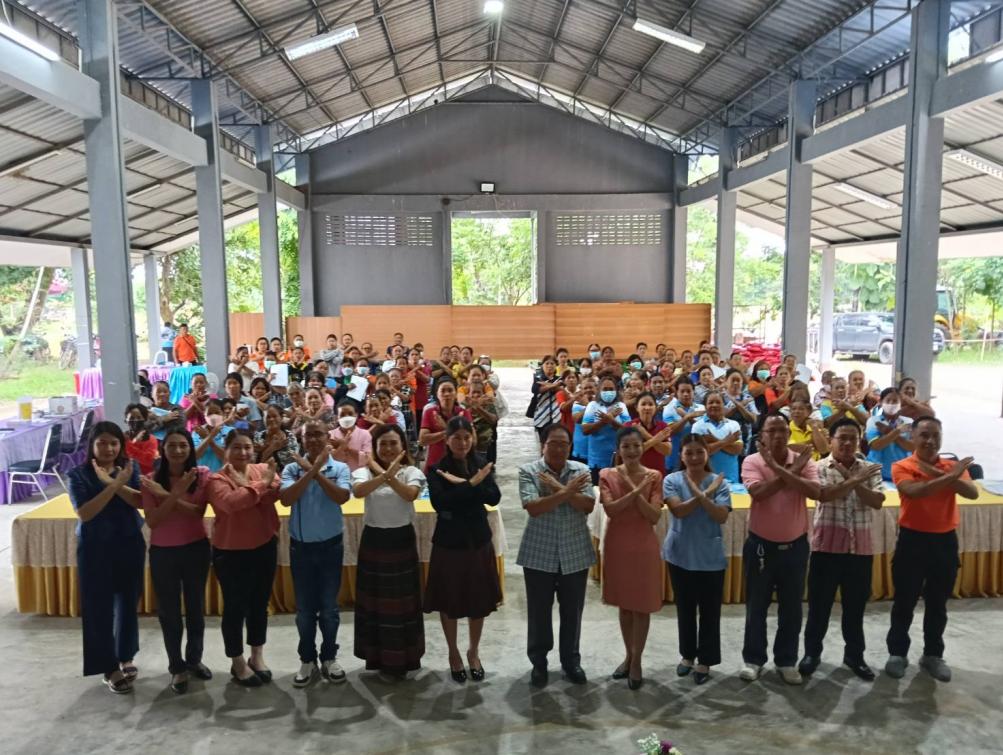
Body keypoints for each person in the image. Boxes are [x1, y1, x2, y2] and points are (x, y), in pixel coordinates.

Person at [885, 416, 978, 683]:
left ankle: (933, 655)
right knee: (904, 601)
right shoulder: (902, 465)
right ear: (913, 437)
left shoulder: (950, 465)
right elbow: (916, 492)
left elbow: (971, 493)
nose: (930, 440)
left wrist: (941, 473)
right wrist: (950, 476)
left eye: (935, 435)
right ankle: (897, 653)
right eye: (924, 435)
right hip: (912, 541)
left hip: (944, 542)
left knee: (938, 604)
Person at [798, 418, 885, 682]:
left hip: (860, 550)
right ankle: (812, 654)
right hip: (826, 549)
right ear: (831, 440)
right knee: (819, 608)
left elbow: (877, 501)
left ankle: (854, 656)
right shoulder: (818, 467)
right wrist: (855, 480)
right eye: (842, 438)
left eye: (852, 438)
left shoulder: (870, 468)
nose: (847, 443)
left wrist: (853, 480)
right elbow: (824, 495)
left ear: (859, 441)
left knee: (855, 609)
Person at [739, 414, 820, 685]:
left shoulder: (805, 460)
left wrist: (782, 468)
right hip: (760, 546)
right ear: (762, 435)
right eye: (771, 430)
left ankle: (786, 660)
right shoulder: (752, 461)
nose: (777, 435)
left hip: (795, 547)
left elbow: (815, 492)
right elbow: (759, 493)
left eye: (783, 430)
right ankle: (754, 659)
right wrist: (791, 471)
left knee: (792, 608)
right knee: (756, 606)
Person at [68, 422, 144, 694]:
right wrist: (115, 486)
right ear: (92, 445)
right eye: (102, 443)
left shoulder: (130, 468)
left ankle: (125, 655)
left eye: (114, 443)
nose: (109, 448)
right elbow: (85, 513)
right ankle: (108, 667)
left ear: (121, 445)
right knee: (98, 607)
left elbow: (139, 502)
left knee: (128, 602)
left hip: (129, 542)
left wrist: (116, 481)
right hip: (95, 548)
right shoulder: (78, 474)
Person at [517, 423, 596, 688]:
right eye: (553, 443)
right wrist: (568, 491)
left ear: (570, 447)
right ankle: (539, 663)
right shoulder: (529, 471)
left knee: (573, 611)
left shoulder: (581, 470)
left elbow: (588, 505)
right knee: (538, 611)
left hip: (575, 551)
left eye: (564, 444)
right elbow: (533, 507)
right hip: (538, 551)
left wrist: (556, 490)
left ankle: (571, 660)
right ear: (543, 445)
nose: (559, 449)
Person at [424, 417, 502, 683]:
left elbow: (494, 497)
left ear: (473, 438)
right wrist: (472, 484)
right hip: (449, 541)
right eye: (456, 437)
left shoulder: (481, 462)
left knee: (477, 600)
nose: (462, 442)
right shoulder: (437, 469)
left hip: (477, 539)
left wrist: (465, 485)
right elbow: (441, 503)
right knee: (449, 600)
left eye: (466, 437)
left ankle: (473, 652)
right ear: (447, 440)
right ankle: (453, 653)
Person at [140, 429, 213, 694]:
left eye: (183, 445)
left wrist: (168, 495)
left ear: (191, 448)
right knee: (169, 613)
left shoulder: (201, 475)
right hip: (163, 553)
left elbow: (198, 513)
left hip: (196, 549)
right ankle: (176, 666)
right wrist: (171, 494)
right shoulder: (150, 481)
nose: (178, 450)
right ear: (163, 449)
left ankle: (194, 659)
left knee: (196, 608)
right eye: (172, 445)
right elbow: (153, 521)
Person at [205, 431, 281, 687]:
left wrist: (252, 489)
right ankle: (237, 661)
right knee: (234, 608)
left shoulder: (262, 469)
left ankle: (256, 656)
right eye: (236, 447)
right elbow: (231, 503)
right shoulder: (216, 478)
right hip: (230, 552)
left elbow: (277, 494)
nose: (243, 452)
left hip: (264, 546)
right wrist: (261, 486)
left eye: (247, 447)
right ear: (226, 450)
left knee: (259, 604)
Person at [280, 420, 352, 687]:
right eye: (307, 435)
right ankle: (307, 659)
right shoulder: (291, 468)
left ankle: (329, 657)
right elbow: (286, 499)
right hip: (301, 548)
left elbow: (341, 497)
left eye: (318, 434)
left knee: (329, 609)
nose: (312, 439)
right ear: (301, 439)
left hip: (331, 547)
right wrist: (310, 470)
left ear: (327, 438)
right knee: (304, 611)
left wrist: (315, 471)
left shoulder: (340, 468)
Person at [351, 424, 427, 679]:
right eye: (382, 443)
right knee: (375, 605)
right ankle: (377, 659)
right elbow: (359, 492)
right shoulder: (362, 472)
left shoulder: (412, 472)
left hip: (401, 541)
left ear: (403, 446)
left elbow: (410, 495)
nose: (388, 448)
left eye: (393, 443)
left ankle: (404, 660)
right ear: (375, 447)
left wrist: (388, 475)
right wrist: (383, 474)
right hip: (374, 541)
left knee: (403, 605)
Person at [663, 435, 732, 685]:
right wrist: (706, 495)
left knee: (710, 611)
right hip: (680, 554)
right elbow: (679, 511)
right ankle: (687, 656)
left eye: (699, 452)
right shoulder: (671, 480)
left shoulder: (719, 482)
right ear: (681, 456)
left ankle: (706, 660)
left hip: (710, 556)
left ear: (707, 454)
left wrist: (703, 494)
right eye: (688, 453)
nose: (694, 457)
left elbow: (721, 516)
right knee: (685, 608)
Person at [600, 428, 664, 689]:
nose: (632, 451)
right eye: (626, 446)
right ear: (619, 449)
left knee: (641, 605)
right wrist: (635, 490)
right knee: (625, 605)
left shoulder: (654, 476)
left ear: (643, 447)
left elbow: (654, 516)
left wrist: (633, 492)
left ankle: (637, 660)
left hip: (643, 545)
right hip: (618, 544)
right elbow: (611, 510)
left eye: (636, 445)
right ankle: (629, 655)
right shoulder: (607, 475)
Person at [581, 376, 630, 484]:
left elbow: (628, 431)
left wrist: (611, 421)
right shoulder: (592, 406)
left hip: (618, 459)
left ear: (616, 391)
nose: (608, 392)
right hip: (596, 460)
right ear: (599, 390)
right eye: (605, 389)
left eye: (611, 389)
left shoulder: (621, 406)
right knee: (597, 490)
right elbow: (585, 430)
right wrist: (603, 421)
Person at [419, 377, 471, 472]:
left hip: (458, 464)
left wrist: (445, 427)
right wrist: (449, 430)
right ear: (437, 394)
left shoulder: (464, 412)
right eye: (443, 391)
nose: (446, 394)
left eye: (450, 390)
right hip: (435, 463)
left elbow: (473, 440)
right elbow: (422, 440)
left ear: (456, 394)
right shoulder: (430, 412)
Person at [690, 391, 743, 483]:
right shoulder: (697, 426)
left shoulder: (734, 424)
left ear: (724, 405)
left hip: (731, 479)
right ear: (705, 406)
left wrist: (713, 440)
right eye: (711, 402)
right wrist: (727, 441)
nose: (714, 405)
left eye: (718, 402)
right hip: (705, 481)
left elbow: (737, 450)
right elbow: (701, 453)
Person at [865, 387, 914, 480]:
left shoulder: (909, 422)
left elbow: (912, 447)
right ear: (881, 402)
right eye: (888, 401)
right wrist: (897, 431)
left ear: (901, 403)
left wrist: (888, 431)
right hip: (878, 472)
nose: (891, 404)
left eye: (895, 401)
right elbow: (875, 445)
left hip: (902, 472)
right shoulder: (873, 421)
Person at [662, 378, 705, 474]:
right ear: (677, 392)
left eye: (688, 391)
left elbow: (702, 432)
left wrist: (686, 416)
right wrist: (686, 417)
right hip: (674, 457)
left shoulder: (701, 408)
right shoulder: (669, 408)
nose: (686, 394)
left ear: (693, 392)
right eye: (682, 391)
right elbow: (671, 431)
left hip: (696, 457)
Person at [625, 392, 672, 476]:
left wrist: (645, 434)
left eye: (650, 404)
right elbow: (631, 452)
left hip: (658, 475)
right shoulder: (629, 426)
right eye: (643, 404)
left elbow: (667, 451)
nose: (647, 408)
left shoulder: (663, 426)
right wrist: (656, 439)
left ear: (655, 407)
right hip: (634, 476)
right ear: (636, 407)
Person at [330, 401, 373, 471]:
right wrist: (341, 447)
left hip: (359, 474)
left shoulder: (365, 434)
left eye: (350, 414)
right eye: (342, 415)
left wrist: (348, 449)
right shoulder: (330, 435)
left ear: (356, 415)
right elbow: (329, 460)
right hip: (336, 474)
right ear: (337, 417)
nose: (346, 417)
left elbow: (367, 460)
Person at [531, 355, 565, 443]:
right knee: (543, 442)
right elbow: (536, 390)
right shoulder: (538, 378)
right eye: (547, 363)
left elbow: (562, 390)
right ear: (542, 365)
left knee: (556, 441)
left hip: (557, 416)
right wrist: (555, 385)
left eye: (552, 363)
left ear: (556, 365)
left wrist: (546, 385)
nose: (549, 366)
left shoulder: (560, 379)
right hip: (541, 416)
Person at [254, 405, 299, 469]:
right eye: (268, 417)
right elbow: (254, 466)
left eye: (274, 416)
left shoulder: (290, 437)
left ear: (281, 418)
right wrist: (272, 448)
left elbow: (291, 466)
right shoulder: (257, 437)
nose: (271, 419)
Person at [124, 403, 159, 475]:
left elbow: (149, 461)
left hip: (146, 477)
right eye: (132, 418)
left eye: (139, 417)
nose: (135, 420)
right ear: (126, 420)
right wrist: (134, 442)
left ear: (145, 420)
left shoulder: (151, 439)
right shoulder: (122, 437)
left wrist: (130, 444)